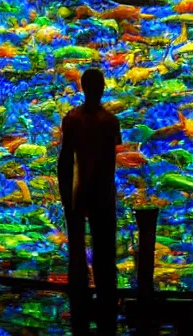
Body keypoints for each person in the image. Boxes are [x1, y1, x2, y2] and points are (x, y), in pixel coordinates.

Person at [58, 68, 122, 336]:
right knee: (104, 253)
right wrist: (108, 192)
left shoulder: (71, 119)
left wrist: (65, 195)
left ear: (82, 87)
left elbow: (64, 160)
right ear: (102, 88)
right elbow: (110, 162)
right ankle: (106, 307)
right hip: (102, 193)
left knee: (77, 253)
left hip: (78, 191)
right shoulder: (110, 121)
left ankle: (79, 305)